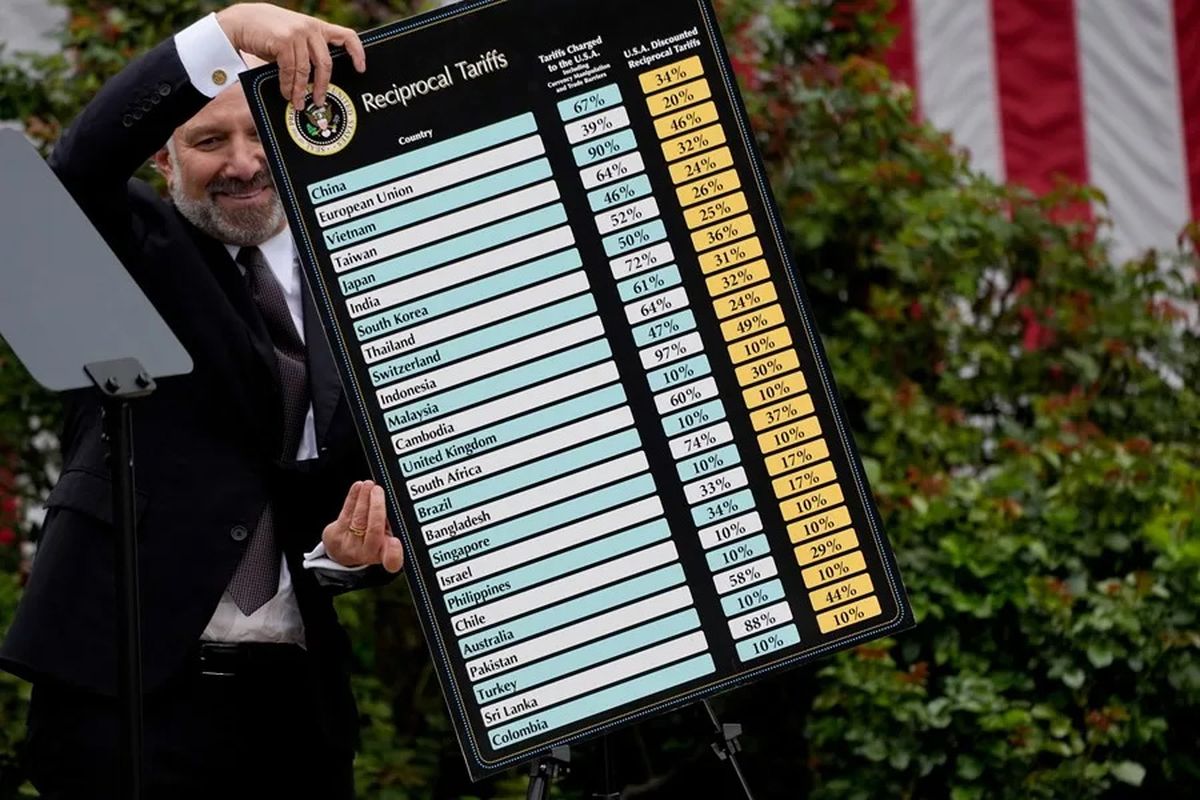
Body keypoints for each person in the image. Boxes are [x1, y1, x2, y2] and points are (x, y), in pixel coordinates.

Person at [0, 4, 404, 798]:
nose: (243, 163)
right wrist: (235, 27)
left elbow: (350, 488)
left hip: (294, 707)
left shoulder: (359, 273)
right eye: (209, 140)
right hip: (128, 696)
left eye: (259, 134)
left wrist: (346, 557)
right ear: (165, 159)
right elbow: (80, 163)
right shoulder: (133, 242)